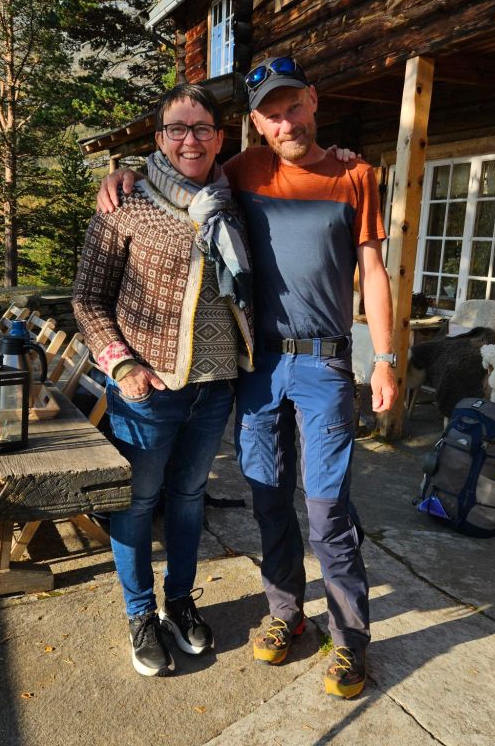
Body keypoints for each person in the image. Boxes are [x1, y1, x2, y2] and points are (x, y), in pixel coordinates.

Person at [98, 57, 397, 699]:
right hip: (256, 366)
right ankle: (286, 612)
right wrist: (122, 172)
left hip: (324, 364)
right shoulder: (241, 172)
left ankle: (349, 640)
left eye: (294, 107)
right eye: (271, 114)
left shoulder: (356, 175)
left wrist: (386, 358)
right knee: (267, 498)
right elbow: (179, 171)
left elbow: (373, 271)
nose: (286, 122)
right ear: (256, 124)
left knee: (327, 510)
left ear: (313, 101)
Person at [73, 83, 255, 678]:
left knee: (189, 498)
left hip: (214, 389)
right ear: (159, 138)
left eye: (202, 128)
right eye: (177, 128)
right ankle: (139, 614)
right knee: (138, 501)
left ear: (220, 138)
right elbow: (88, 298)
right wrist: (122, 364)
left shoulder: (234, 204)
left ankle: (179, 603)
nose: (190, 140)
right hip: (147, 393)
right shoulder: (127, 204)